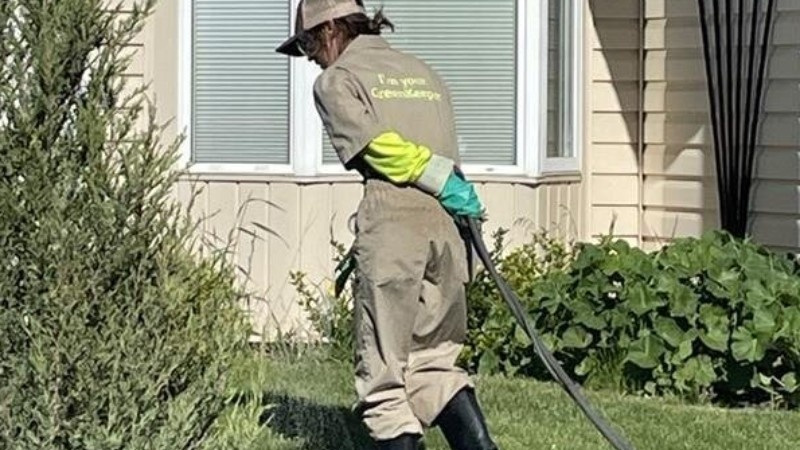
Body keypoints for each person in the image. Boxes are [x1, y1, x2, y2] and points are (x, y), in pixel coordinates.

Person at [277, 1, 498, 449]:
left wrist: (430, 177)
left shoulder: (337, 81)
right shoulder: (423, 72)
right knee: (435, 363)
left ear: (331, 29)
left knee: (384, 378)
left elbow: (379, 149)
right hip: (449, 227)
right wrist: (451, 187)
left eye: (307, 44)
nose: (311, 58)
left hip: (394, 220)